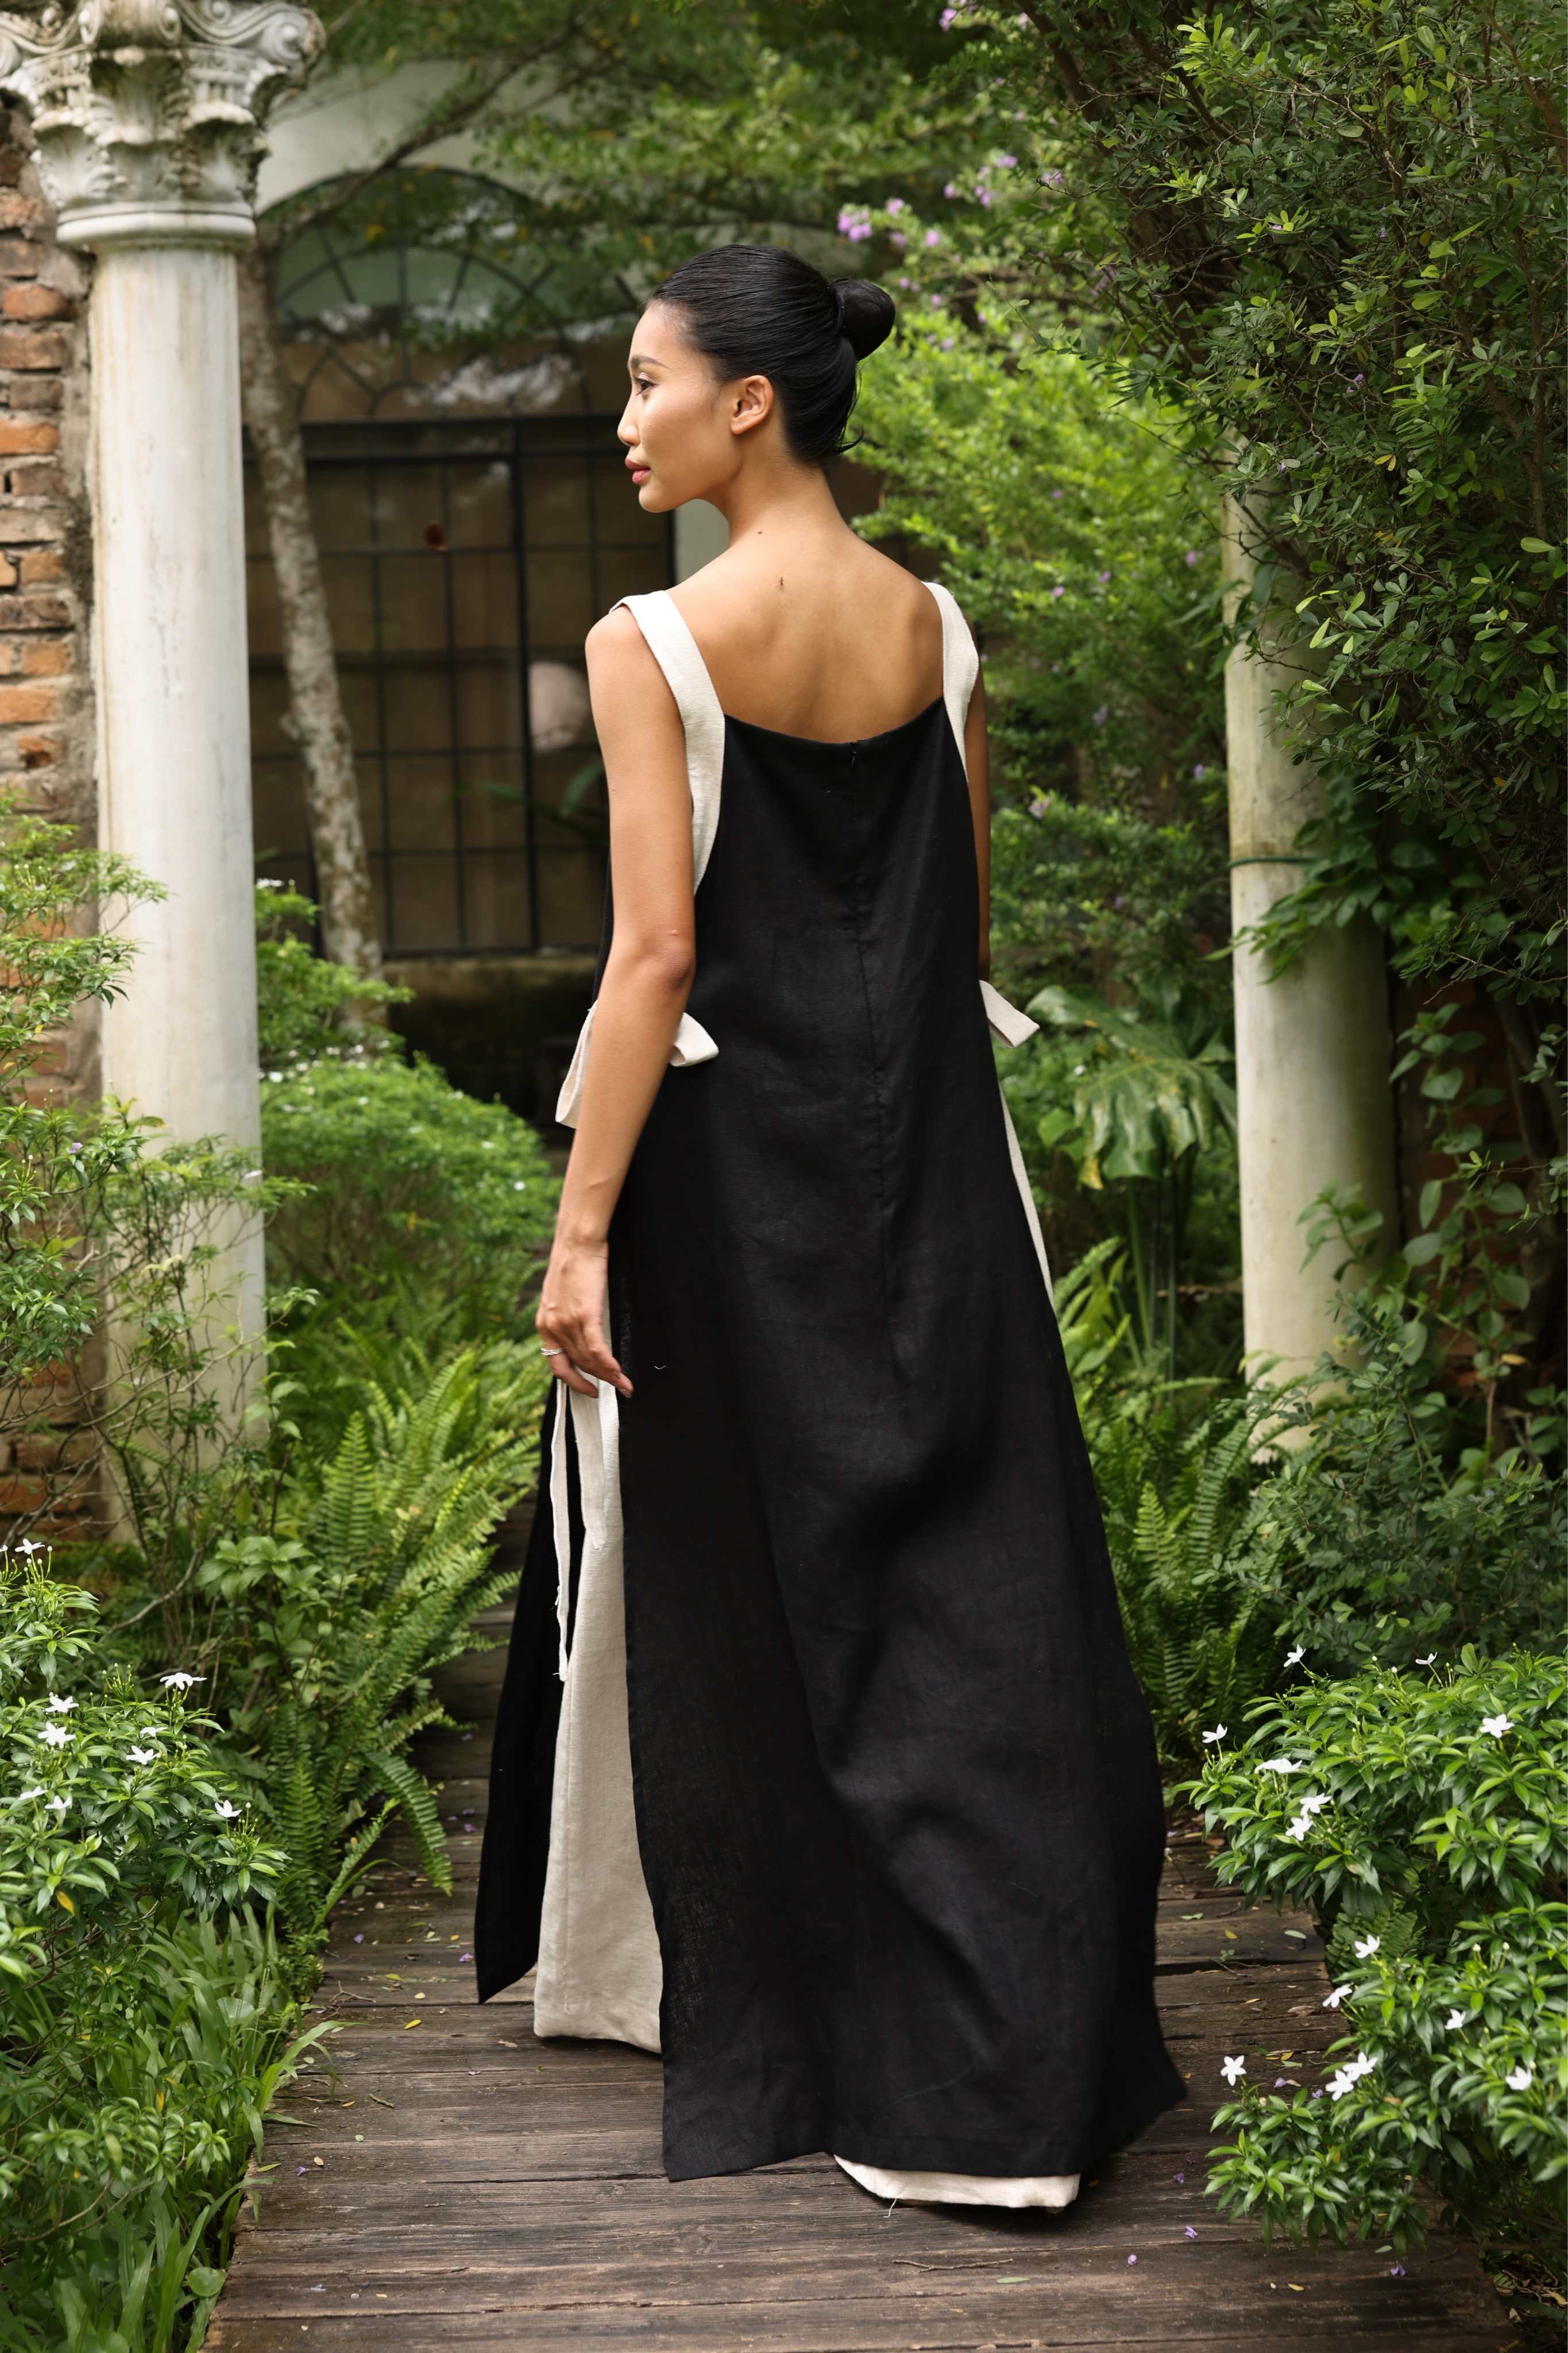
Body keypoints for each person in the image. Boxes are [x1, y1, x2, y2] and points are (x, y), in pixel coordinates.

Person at [474, 242, 1185, 2207]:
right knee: (972, 1591)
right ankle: (1008, 2062)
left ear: (748, 402)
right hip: (934, 1167)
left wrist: (578, 1236)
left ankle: (811, 2017)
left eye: (644, 382)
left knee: (750, 1595)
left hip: (734, 1181)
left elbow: (653, 958)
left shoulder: (657, 641)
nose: (623, 419)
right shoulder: (940, 635)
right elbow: (953, 937)